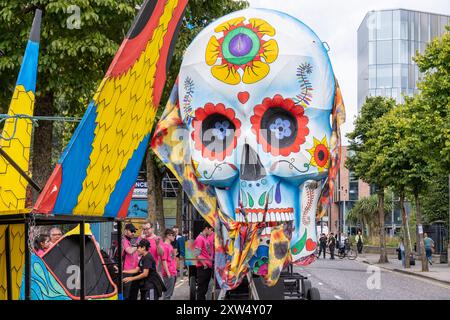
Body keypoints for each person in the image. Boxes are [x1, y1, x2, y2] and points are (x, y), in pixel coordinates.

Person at [194, 222, 214, 300]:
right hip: (203, 268)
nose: (211, 231)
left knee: (204, 289)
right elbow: (196, 253)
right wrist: (204, 264)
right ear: (206, 228)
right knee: (201, 290)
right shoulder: (200, 238)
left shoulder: (205, 238)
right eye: (210, 229)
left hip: (206, 267)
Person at [122, 223, 139, 300]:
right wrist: (138, 244)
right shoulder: (123, 240)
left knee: (133, 294)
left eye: (134, 231)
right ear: (126, 231)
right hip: (127, 273)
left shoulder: (131, 241)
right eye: (131, 231)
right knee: (127, 295)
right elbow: (129, 251)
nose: (133, 233)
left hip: (134, 271)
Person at [161, 229, 177, 300]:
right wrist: (168, 273)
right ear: (168, 236)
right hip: (169, 273)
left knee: (169, 294)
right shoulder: (165, 246)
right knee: (167, 295)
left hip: (172, 272)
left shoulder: (170, 245)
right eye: (173, 235)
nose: (174, 237)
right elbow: (163, 260)